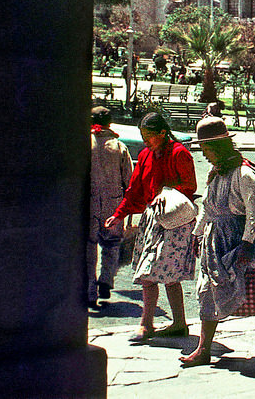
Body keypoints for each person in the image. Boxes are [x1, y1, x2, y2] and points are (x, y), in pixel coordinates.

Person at [179, 117, 255, 367]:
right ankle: (203, 348)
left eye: (207, 149)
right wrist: (197, 234)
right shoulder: (216, 174)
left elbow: (254, 211)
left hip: (244, 240)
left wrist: (247, 244)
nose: (204, 155)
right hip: (217, 241)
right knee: (209, 291)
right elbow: (208, 206)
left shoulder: (244, 175)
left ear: (219, 147)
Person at [105, 112, 198, 341]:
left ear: (162, 133)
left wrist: (167, 193)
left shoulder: (179, 153)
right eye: (142, 135)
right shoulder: (146, 155)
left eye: (149, 135)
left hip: (174, 221)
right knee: (147, 273)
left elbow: (190, 185)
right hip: (151, 220)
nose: (145, 140)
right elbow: (135, 189)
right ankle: (147, 324)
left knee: (169, 274)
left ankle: (178, 323)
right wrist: (119, 214)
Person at [88, 106, 133, 307]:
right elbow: (129, 179)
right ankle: (106, 280)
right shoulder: (119, 146)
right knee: (112, 245)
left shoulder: (84, 143)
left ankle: (89, 290)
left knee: (89, 247)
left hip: (88, 202)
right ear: (109, 123)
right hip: (114, 203)